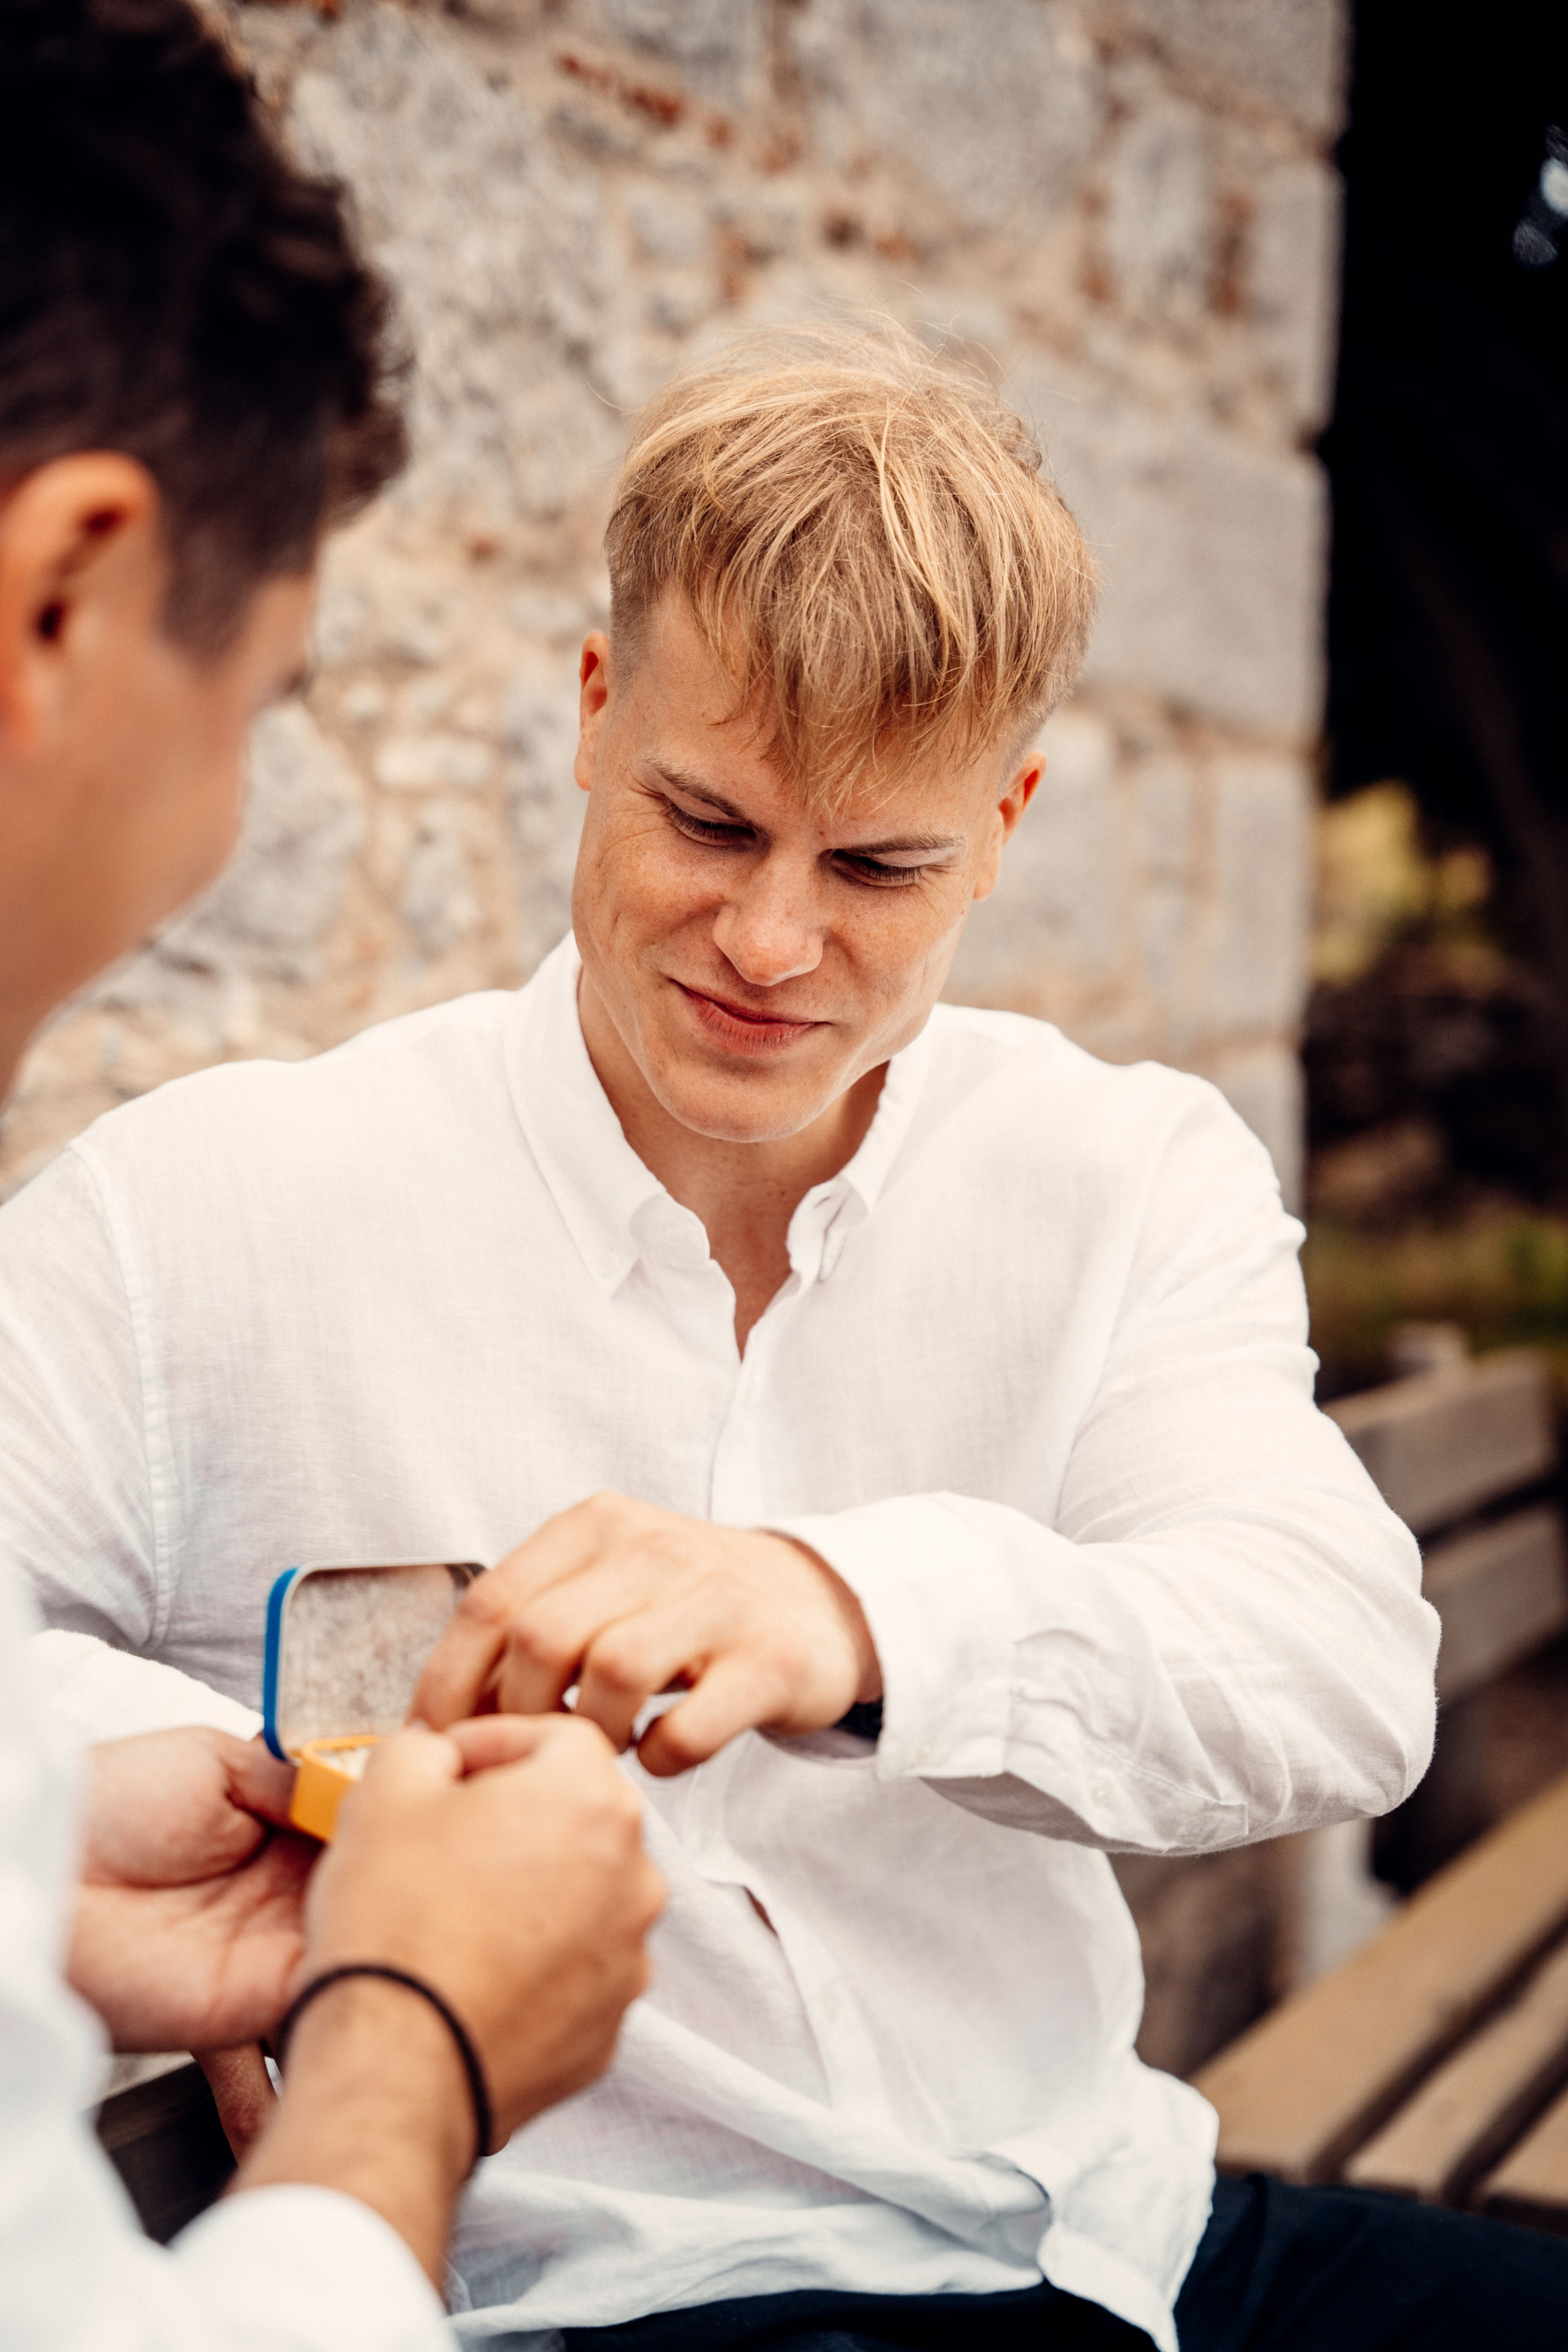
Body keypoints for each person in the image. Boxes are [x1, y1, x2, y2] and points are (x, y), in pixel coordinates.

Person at [2, 213, 1565, 2352]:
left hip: (1106, 2240)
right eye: (708, 821)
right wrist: (235, 1777)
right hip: (601, 2306)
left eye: (881, 866)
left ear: (1005, 824)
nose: (769, 941)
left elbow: (1336, 1664)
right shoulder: (213, 1206)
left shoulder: (1121, 1175)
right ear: (587, 709)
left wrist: (851, 1607)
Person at [0, 4, 662, 2346]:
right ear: (64, 599)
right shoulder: (184, 1206)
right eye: (269, 705)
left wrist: (50, 1848)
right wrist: (421, 2055)